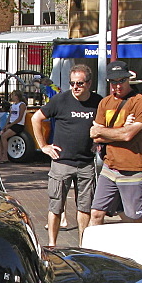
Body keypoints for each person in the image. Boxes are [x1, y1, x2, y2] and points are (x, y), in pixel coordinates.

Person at [31, 64, 102, 246]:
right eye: (72, 83)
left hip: (86, 163)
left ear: (89, 83)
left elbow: (105, 124)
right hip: (61, 162)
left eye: (79, 83)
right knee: (56, 206)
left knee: (85, 208)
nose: (75, 87)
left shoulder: (98, 102)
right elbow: (36, 118)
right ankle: (52, 245)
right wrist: (44, 146)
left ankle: (83, 246)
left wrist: (99, 142)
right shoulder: (60, 100)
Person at [88, 61, 142, 225]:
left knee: (134, 218)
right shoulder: (105, 102)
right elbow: (95, 136)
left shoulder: (140, 102)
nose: (117, 85)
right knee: (96, 213)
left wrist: (108, 132)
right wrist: (121, 128)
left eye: (121, 80)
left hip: (133, 168)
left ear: (128, 79)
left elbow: (128, 136)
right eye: (113, 81)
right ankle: (93, 249)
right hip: (109, 166)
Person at [0, 90, 28, 162]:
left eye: (13, 95)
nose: (12, 97)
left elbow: (20, 117)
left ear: (17, 96)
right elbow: (10, 116)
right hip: (11, 124)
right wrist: (6, 125)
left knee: (4, 136)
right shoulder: (13, 105)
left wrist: (11, 124)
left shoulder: (22, 105)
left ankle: (5, 156)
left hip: (18, 125)